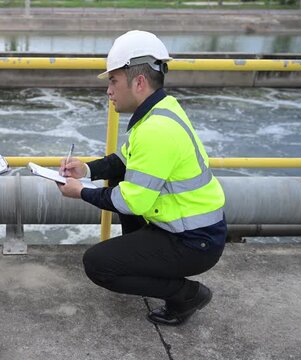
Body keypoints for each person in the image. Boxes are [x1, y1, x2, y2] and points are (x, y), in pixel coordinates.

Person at [57, 30, 227, 326]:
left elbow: (130, 201)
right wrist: (85, 170)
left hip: (194, 242)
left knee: (98, 265)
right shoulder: (160, 111)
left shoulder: (155, 130)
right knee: (118, 175)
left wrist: (80, 192)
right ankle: (143, 261)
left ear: (138, 82)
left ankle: (186, 294)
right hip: (188, 229)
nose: (108, 90)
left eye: (112, 81)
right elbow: (121, 161)